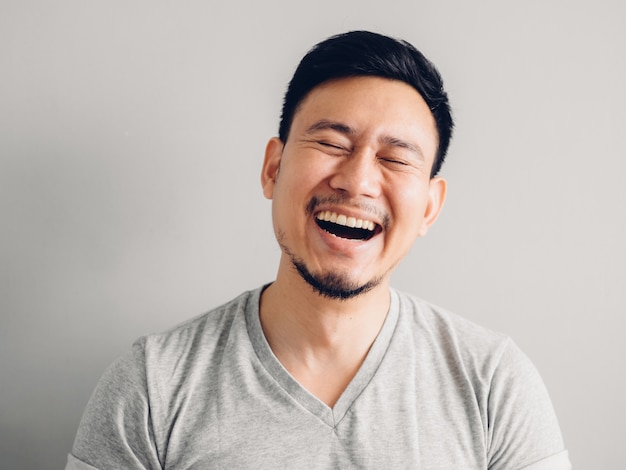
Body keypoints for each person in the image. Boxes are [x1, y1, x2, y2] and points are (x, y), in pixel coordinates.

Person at [66, 31, 571, 469]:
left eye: (396, 158)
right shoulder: (152, 385)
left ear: (430, 209)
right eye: (332, 143)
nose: (357, 181)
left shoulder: (493, 383)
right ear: (273, 168)